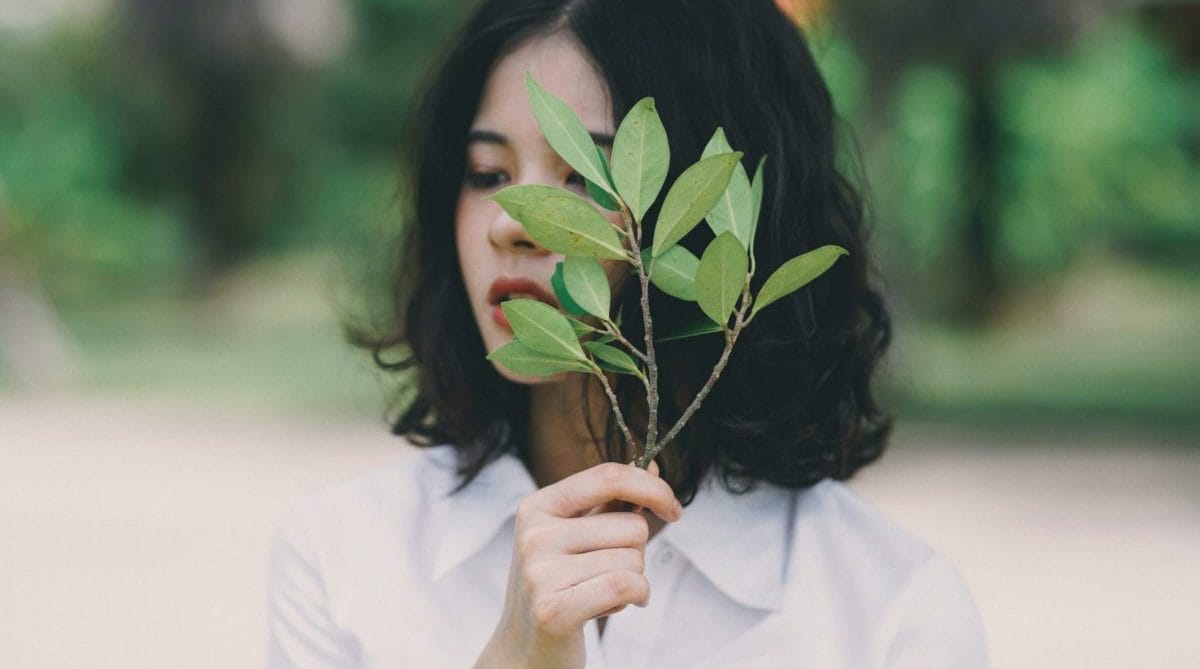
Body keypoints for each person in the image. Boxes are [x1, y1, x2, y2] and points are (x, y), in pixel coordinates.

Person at [267, 1, 988, 667]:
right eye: (487, 173)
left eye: (586, 178)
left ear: (720, 221)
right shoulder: (346, 555)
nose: (508, 222)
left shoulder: (891, 608)